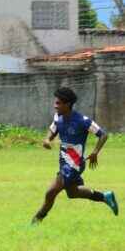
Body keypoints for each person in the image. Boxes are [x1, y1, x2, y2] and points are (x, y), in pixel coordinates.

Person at [32, 87, 118, 224]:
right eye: (55, 102)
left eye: (58, 103)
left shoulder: (83, 121)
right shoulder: (58, 117)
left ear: (68, 104)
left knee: (50, 192)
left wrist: (95, 152)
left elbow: (103, 135)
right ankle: (105, 197)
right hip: (63, 162)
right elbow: (52, 130)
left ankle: (36, 221)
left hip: (74, 164)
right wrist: (47, 140)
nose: (55, 106)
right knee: (73, 193)